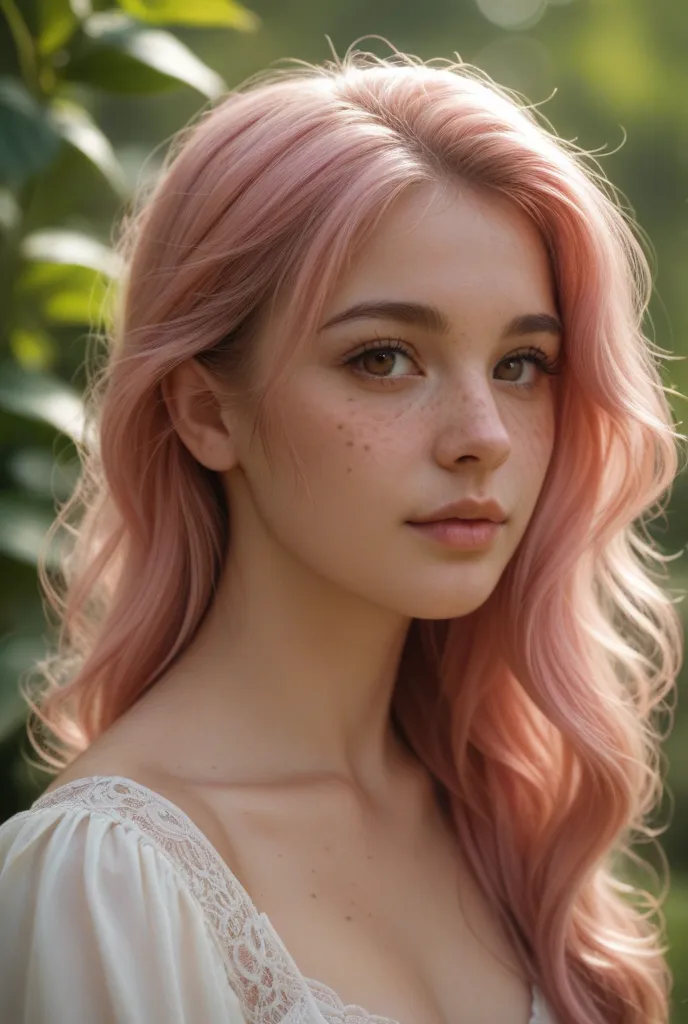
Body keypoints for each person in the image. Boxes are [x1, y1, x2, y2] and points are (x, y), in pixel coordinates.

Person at [0, 39, 682, 1024]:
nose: (482, 437)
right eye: (385, 357)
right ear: (205, 412)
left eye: (521, 363)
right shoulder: (107, 883)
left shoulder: (506, 822)